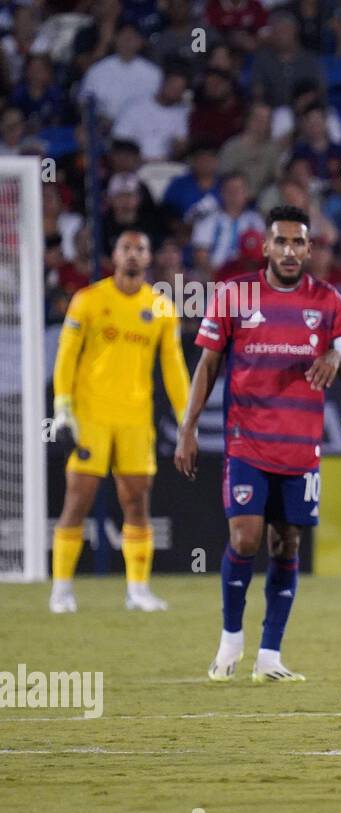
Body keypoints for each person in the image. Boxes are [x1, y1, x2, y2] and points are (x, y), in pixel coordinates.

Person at [174, 206, 341, 683]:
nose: (291, 251)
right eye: (282, 242)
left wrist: (336, 358)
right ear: (266, 246)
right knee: (245, 537)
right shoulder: (235, 294)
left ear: (310, 249)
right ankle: (230, 641)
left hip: (300, 449)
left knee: (286, 542)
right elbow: (207, 366)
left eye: (300, 243)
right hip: (246, 444)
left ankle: (270, 656)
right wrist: (188, 427)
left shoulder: (329, 301)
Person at [49, 231, 190, 614]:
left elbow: (174, 369)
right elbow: (65, 357)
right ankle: (61, 589)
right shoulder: (89, 300)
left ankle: (138, 590)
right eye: (125, 248)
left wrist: (186, 419)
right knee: (77, 499)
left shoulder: (161, 308)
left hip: (134, 420)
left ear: (149, 258)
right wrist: (63, 408)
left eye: (140, 249)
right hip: (91, 416)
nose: (132, 255)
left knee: (136, 502)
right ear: (114, 255)